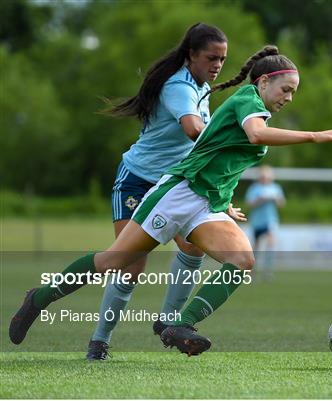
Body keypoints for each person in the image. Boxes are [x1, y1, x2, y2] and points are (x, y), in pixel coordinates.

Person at [9, 45, 332, 357]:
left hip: (206, 205)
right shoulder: (248, 100)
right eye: (286, 89)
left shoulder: (257, 107)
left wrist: (225, 203)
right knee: (115, 260)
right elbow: (255, 135)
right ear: (262, 82)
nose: (289, 98)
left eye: (294, 93)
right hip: (178, 194)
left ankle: (179, 325)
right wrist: (315, 135)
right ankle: (39, 298)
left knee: (242, 260)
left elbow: (221, 162)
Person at [93, 22, 228, 360]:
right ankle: (99, 340)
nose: (217, 65)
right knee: (130, 265)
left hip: (174, 184)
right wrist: (232, 143)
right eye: (211, 58)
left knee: (194, 247)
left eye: (223, 59)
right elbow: (193, 128)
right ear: (191, 55)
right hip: (138, 180)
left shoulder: (203, 89)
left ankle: (168, 322)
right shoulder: (179, 86)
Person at [245, 165, 285, 280]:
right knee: (256, 247)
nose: (264, 178)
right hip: (257, 221)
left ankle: (268, 270)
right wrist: (260, 199)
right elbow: (250, 204)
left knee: (271, 243)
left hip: (271, 220)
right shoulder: (254, 188)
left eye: (267, 175)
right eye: (262, 175)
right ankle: (252, 270)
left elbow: (281, 203)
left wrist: (275, 198)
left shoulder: (275, 188)